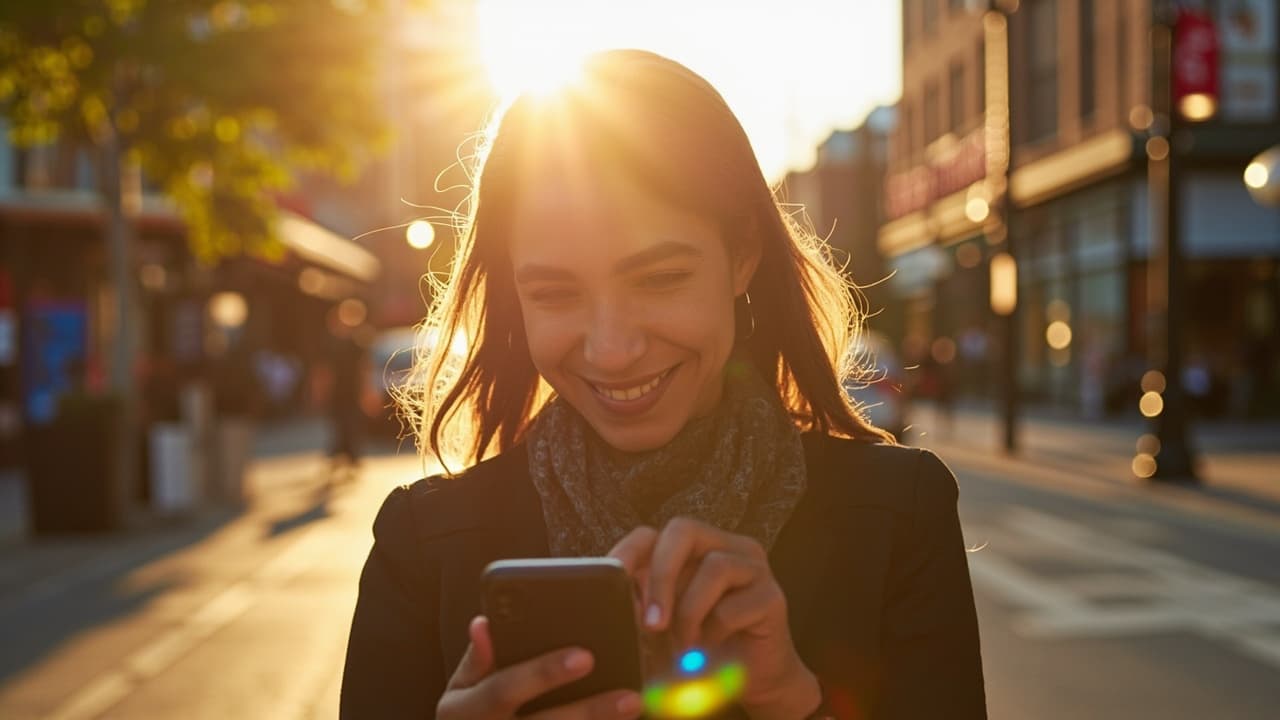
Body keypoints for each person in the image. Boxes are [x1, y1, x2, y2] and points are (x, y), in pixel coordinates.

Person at [341, 49, 986, 719]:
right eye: (555, 292)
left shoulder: (896, 514)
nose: (613, 350)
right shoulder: (425, 546)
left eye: (660, 279)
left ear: (741, 257)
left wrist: (797, 701)